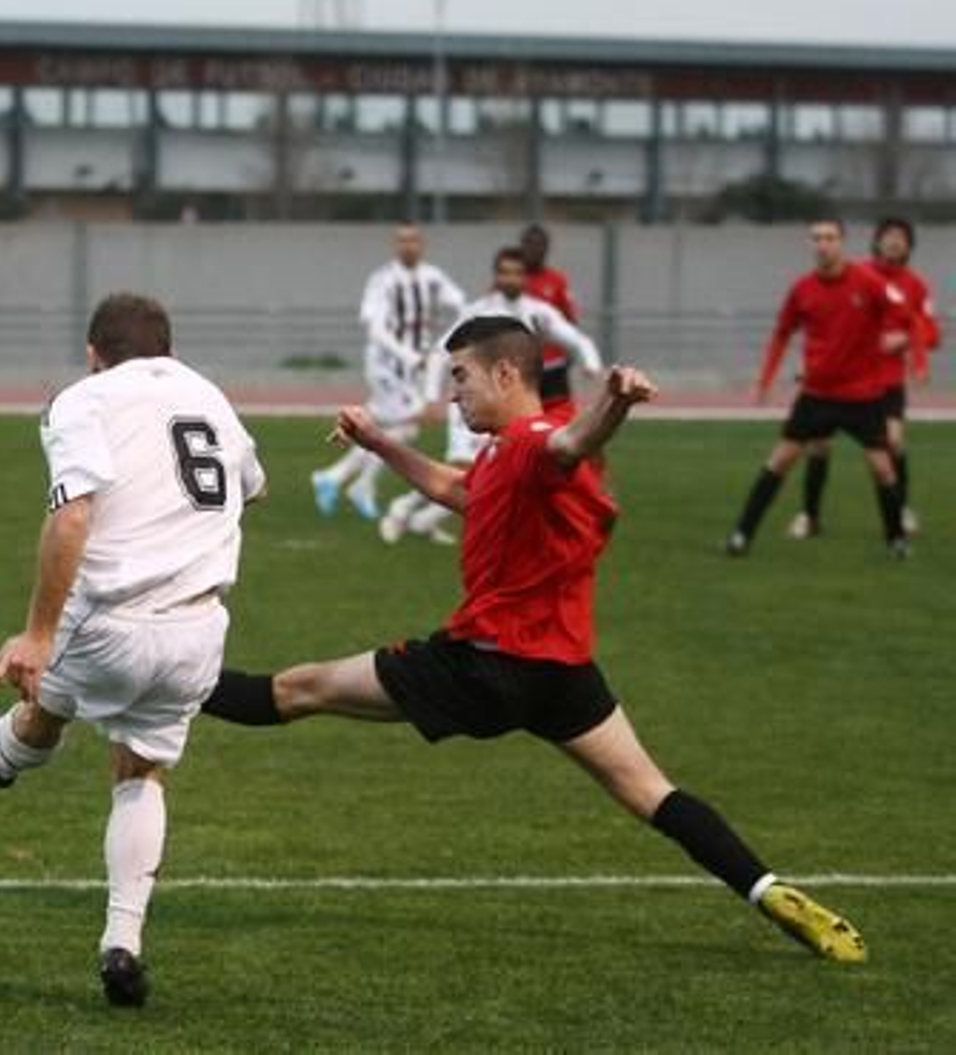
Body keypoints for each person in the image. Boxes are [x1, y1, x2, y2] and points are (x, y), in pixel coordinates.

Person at [202, 315, 867, 966]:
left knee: (298, 689)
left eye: (460, 376)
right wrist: (378, 442)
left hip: (483, 668)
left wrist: (615, 400)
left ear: (506, 371)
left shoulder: (532, 441)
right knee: (651, 792)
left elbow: (570, 444)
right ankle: (768, 889)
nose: (452, 392)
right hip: (562, 674)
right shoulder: (503, 453)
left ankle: (153, 676)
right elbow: (457, 489)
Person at [0, 293, 266, 1008]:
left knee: (51, 702)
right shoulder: (207, 391)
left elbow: (72, 515)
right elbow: (254, 487)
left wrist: (35, 631)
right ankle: (122, 942)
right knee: (139, 770)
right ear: (169, 351)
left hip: (110, 618)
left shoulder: (82, 398)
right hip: (198, 627)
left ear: (94, 352)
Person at [380, 247, 602, 545]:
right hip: (475, 401)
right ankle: (404, 509)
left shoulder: (538, 312)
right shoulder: (477, 312)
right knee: (465, 470)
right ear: (496, 276)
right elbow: (439, 352)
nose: (511, 278)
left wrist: (591, 364)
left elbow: (575, 338)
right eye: (504, 272)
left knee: (489, 477)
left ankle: (420, 518)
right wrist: (431, 398)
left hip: (513, 407)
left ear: (525, 277)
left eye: (517, 272)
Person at [727, 218, 910, 558]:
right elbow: (782, 333)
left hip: (862, 397)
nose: (822, 244)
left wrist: (902, 337)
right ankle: (741, 535)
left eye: (829, 237)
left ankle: (897, 539)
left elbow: (903, 316)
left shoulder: (868, 282)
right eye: (816, 238)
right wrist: (765, 380)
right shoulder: (802, 289)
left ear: (842, 242)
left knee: (883, 467)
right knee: (780, 461)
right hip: (816, 396)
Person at [788, 216, 939, 540]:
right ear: (877, 241)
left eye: (901, 237)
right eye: (889, 236)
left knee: (893, 444)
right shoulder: (859, 275)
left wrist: (905, 340)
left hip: (887, 380)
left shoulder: (916, 285)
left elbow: (931, 332)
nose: (895, 242)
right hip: (844, 379)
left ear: (909, 245)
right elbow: (825, 323)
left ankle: (900, 511)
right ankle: (810, 516)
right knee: (819, 445)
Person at [312, 223, 464, 520]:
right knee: (407, 427)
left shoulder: (432, 277)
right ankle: (354, 484)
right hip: (387, 367)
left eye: (414, 240)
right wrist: (409, 356)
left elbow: (461, 305)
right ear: (395, 246)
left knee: (385, 425)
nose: (409, 246)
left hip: (412, 369)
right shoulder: (383, 280)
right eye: (403, 241)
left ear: (422, 244)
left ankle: (335, 477)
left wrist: (442, 345)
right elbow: (375, 328)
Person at [520, 223, 590, 423]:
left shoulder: (557, 281)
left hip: (553, 365)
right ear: (522, 247)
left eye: (539, 245)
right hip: (522, 367)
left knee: (561, 421)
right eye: (530, 244)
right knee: (523, 421)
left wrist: (570, 355)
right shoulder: (512, 280)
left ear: (546, 248)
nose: (534, 249)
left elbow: (570, 321)